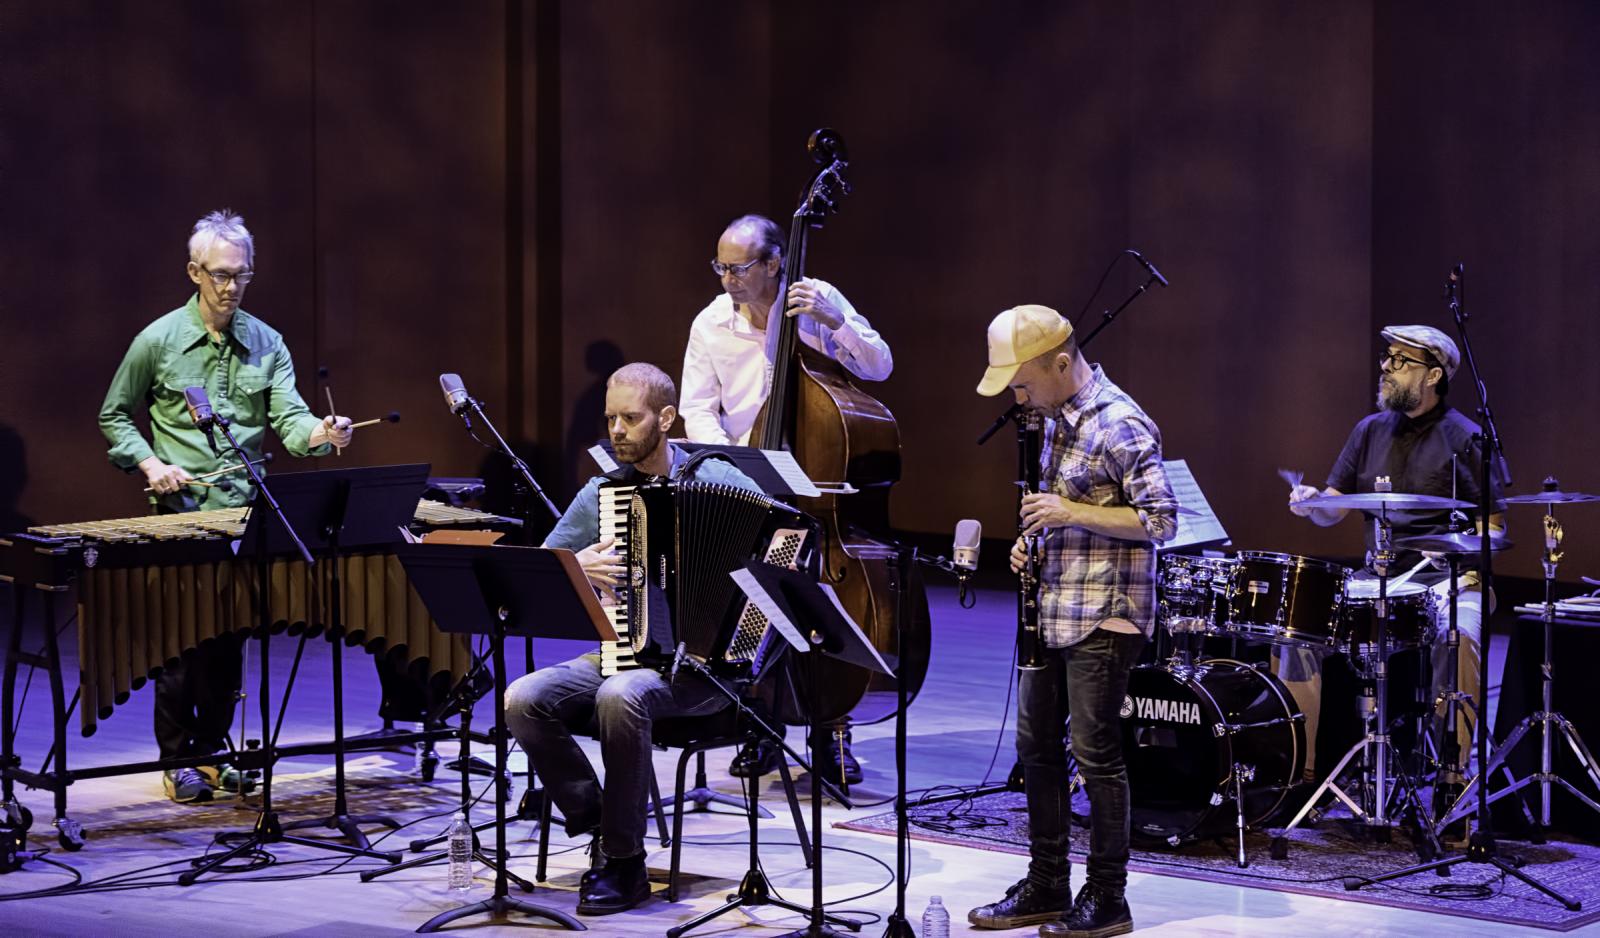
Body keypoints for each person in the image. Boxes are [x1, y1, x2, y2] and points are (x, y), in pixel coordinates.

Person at [99, 210, 354, 803]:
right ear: (194, 272)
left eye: (241, 275)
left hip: (243, 510)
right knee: (181, 644)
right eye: (219, 275)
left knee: (230, 639)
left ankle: (213, 754)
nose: (231, 287)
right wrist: (151, 464)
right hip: (180, 515)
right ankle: (178, 758)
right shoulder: (157, 341)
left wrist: (323, 431)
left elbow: (290, 423)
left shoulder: (269, 343)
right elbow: (114, 415)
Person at [503, 362, 764, 916]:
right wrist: (580, 566)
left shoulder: (718, 478)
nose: (616, 430)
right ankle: (605, 828)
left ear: (665, 418)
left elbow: (774, 541)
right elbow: (544, 570)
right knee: (522, 698)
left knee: (620, 695)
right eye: (610, 419)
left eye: (630, 418)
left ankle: (623, 861)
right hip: (617, 652)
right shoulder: (602, 493)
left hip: (704, 670)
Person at [966, 306, 1177, 938]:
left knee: (1096, 753)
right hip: (1054, 606)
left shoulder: (1122, 423)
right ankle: (1047, 882)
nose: (1015, 394)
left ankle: (1108, 896)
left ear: (1061, 363)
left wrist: (1069, 511)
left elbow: (1162, 522)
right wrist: (1035, 541)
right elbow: (1060, 515)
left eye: (1021, 380)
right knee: (1034, 747)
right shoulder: (1048, 419)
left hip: (1106, 614)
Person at [680, 213, 894, 784]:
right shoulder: (710, 324)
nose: (727, 279)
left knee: (826, 608)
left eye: (739, 268)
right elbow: (699, 407)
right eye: (720, 267)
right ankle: (761, 724)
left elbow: (879, 365)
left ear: (775, 262)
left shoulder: (815, 299)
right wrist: (726, 465)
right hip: (751, 479)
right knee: (751, 605)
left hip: (818, 480)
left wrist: (835, 321)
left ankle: (833, 732)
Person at [1287, 325, 1504, 803]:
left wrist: (1455, 548)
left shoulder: (1467, 438)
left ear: (1432, 376)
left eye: (1399, 361)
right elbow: (1334, 507)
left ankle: (1452, 778)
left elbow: (1494, 527)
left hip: (1445, 580)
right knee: (1294, 633)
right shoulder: (1368, 430)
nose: (1385, 367)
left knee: (1461, 636)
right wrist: (1310, 503)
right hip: (1380, 577)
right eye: (1386, 357)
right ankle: (1300, 776)